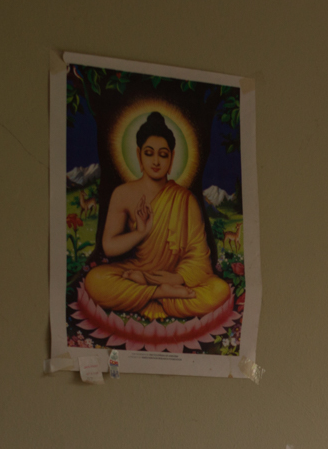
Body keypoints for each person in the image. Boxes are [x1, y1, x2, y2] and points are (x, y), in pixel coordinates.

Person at [83, 111, 230, 321]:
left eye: (163, 155)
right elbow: (109, 246)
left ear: (171, 159)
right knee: (95, 280)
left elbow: (198, 254)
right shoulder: (123, 194)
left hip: (170, 276)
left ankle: (148, 294)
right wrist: (141, 232)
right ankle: (162, 295)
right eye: (149, 153)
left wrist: (178, 278)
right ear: (138, 155)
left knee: (219, 289)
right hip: (136, 270)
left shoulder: (185, 199)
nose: (156, 161)